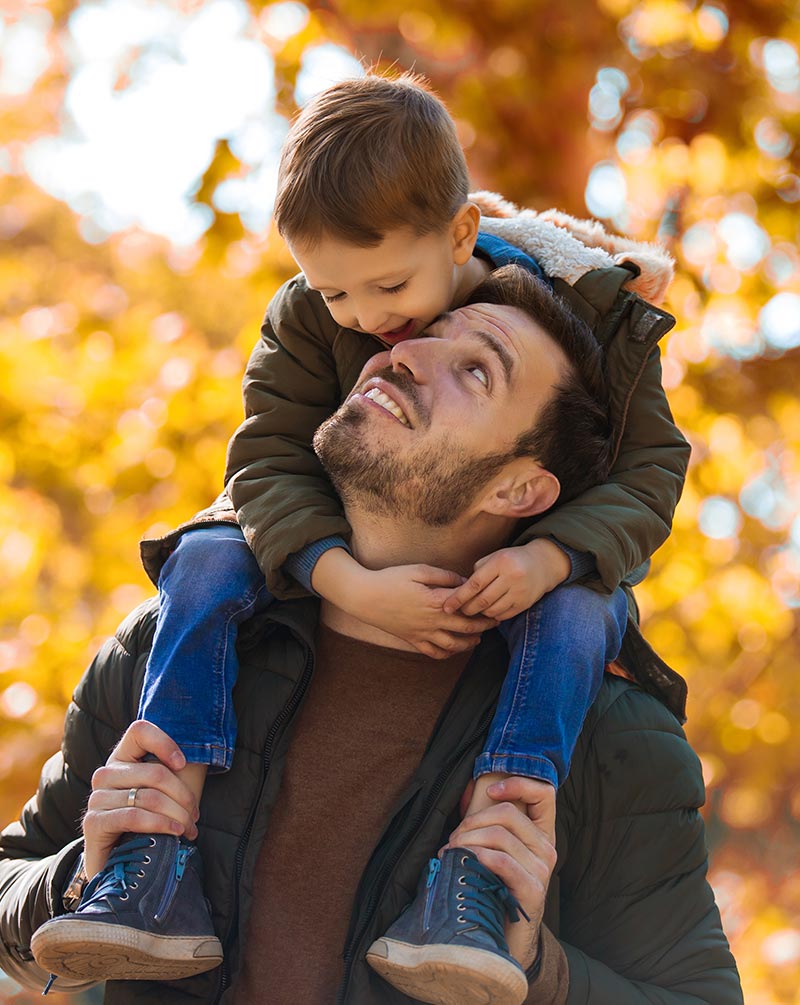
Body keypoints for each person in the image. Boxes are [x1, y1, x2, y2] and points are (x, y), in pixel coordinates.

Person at [24, 72, 690, 999]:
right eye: (341, 297)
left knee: (585, 610)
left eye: (477, 369)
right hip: (279, 555)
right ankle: (147, 869)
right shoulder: (162, 649)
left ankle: (479, 883)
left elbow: (654, 474)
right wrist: (66, 883)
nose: (388, 338)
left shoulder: (617, 739)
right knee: (206, 554)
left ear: (525, 482)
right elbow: (259, 452)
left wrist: (544, 973)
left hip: (557, 594)